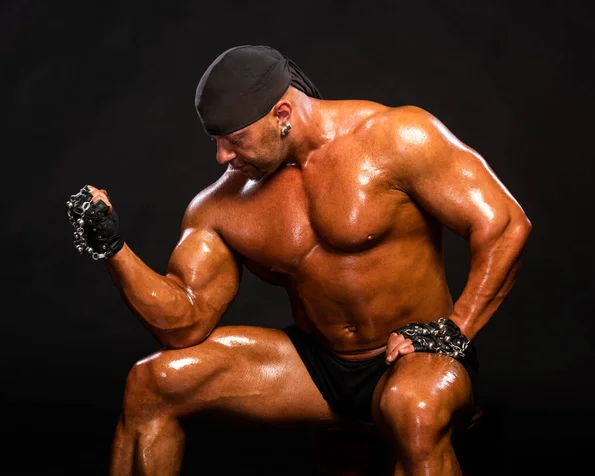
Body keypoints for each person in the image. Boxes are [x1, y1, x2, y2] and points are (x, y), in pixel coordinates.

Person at [67, 45, 531, 475]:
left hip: (415, 358)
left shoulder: (395, 137)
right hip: (317, 366)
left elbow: (506, 223)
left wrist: (456, 329)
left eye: (235, 140)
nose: (221, 157)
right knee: (152, 382)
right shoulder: (221, 204)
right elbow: (183, 322)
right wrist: (113, 250)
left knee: (415, 409)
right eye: (215, 140)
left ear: (282, 113)